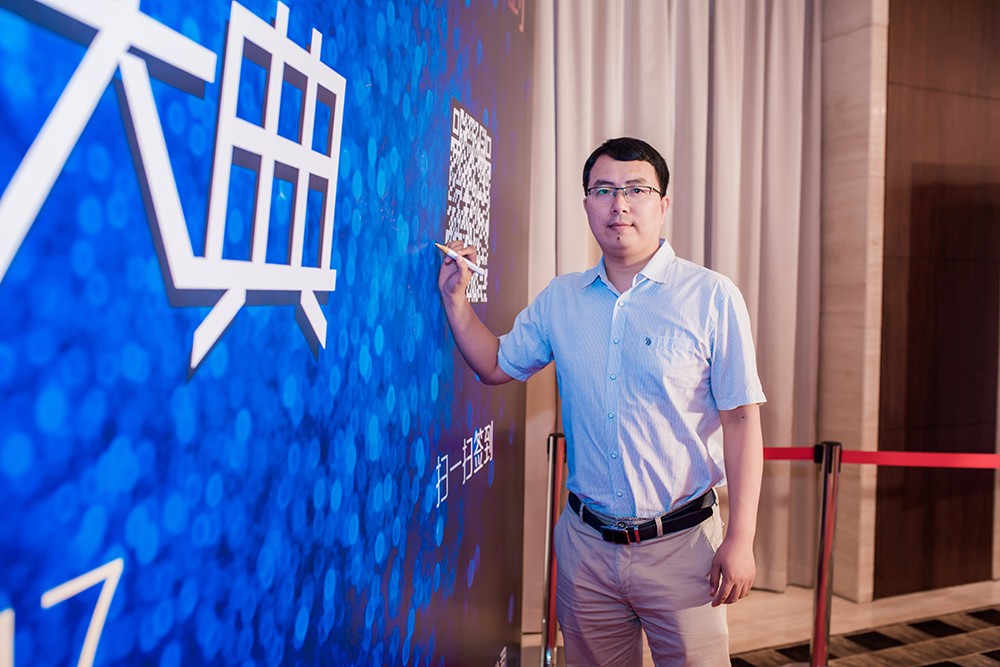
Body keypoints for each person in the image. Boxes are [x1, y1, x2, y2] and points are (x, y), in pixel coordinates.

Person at [438, 137, 765, 666]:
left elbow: (742, 421)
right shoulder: (561, 299)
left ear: (663, 204)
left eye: (636, 190)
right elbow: (496, 364)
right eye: (604, 190)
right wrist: (456, 301)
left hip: (682, 548)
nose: (619, 204)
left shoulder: (711, 296)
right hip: (586, 549)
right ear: (587, 203)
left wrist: (742, 539)